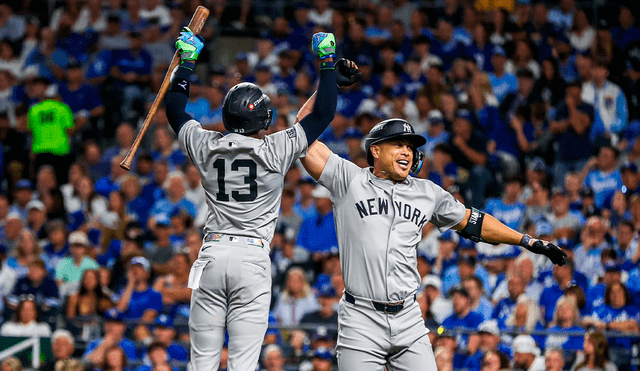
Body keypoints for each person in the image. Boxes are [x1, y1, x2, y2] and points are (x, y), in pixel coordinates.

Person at [298, 112, 566, 369]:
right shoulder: (350, 179)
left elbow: (474, 221)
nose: (407, 151)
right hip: (361, 317)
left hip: (408, 317)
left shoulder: (426, 192)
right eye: (398, 144)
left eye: (410, 147)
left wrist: (525, 240)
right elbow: (302, 136)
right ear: (375, 150)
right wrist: (328, 74)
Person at [163, 28, 358, 371]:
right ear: (264, 120)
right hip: (251, 256)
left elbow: (175, 110)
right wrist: (327, 63)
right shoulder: (275, 148)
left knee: (202, 362)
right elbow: (323, 113)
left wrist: (188, 62)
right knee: (242, 362)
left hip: (211, 254)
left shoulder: (205, 145)